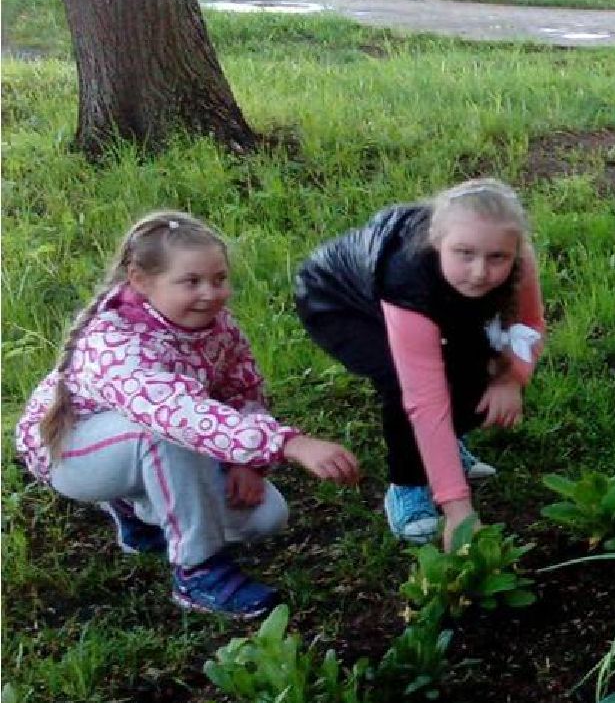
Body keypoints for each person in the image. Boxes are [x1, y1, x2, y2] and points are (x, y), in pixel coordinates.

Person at [13, 212, 362, 619]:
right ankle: (197, 571)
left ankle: (135, 511)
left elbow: (242, 391)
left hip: (163, 439)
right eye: (191, 282)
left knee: (265, 517)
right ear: (140, 281)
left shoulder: (218, 326)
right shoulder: (114, 341)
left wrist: (244, 461)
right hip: (75, 453)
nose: (210, 293)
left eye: (219, 278)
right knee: (162, 433)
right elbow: (179, 414)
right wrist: (288, 442)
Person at [294, 178, 546, 547]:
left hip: (436, 297)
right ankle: (408, 483)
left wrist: (511, 379)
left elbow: (529, 324)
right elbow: (424, 399)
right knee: (404, 382)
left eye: (497, 258)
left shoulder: (519, 261)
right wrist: (459, 511)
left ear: (515, 250)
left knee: (472, 376)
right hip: (340, 302)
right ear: (437, 242)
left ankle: (444, 450)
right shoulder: (407, 278)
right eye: (464, 253)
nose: (480, 272)